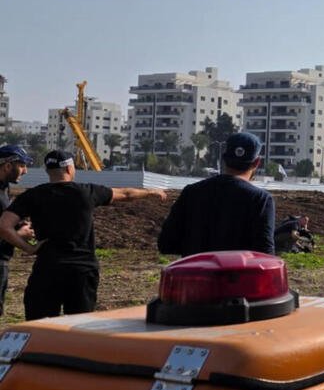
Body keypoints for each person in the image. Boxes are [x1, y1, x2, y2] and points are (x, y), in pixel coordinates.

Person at [0, 150, 166, 320]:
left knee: (40, 325)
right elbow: (126, 194)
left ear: (48, 171)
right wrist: (151, 192)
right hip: (82, 272)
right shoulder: (87, 192)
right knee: (79, 326)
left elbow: (5, 226)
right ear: (69, 169)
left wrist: (29, 248)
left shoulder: (32, 196)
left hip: (47, 269)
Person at [159, 132, 275, 257]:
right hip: (238, 275)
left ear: (224, 159)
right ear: (257, 162)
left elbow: (166, 244)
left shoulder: (191, 192)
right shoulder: (260, 199)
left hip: (195, 273)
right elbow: (265, 254)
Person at [0, 145, 34, 316]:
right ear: (7, 166)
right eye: (22, 165)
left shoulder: (4, 188)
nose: (25, 171)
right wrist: (19, 235)